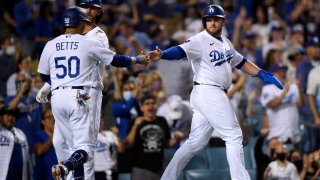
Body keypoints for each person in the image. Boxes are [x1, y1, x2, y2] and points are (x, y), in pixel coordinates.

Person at [148, 4, 284, 180]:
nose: (212, 23)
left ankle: (167, 178)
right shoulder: (199, 40)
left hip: (208, 93)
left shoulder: (226, 42)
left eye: (216, 20)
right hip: (208, 90)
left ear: (223, 21)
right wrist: (163, 54)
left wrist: (262, 73)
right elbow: (180, 50)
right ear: (205, 22)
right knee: (234, 135)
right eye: (209, 20)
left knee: (195, 143)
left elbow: (241, 62)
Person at [36, 6, 149, 180]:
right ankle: (66, 169)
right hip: (81, 96)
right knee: (85, 149)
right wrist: (137, 59)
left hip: (57, 98)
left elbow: (44, 75)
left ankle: (70, 174)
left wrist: (53, 83)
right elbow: (116, 60)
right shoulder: (87, 42)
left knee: (66, 144)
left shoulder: (50, 44)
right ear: (80, 22)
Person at [125, 95, 183, 180]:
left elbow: (167, 143)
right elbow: (128, 144)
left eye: (153, 103)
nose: (151, 106)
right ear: (142, 108)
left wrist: (176, 138)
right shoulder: (134, 121)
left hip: (159, 169)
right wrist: (135, 126)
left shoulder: (162, 121)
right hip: (140, 169)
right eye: (147, 104)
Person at [0, 107, 29, 180]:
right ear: (1, 117)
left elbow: (26, 159)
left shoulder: (21, 134)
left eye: (12, 116)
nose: (10, 118)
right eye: (7, 115)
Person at [33, 109, 58, 180]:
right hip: (44, 175)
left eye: (53, 117)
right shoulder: (38, 135)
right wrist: (54, 136)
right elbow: (39, 151)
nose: (52, 120)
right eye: (49, 117)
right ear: (43, 121)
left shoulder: (60, 136)